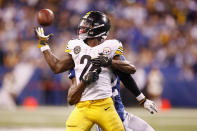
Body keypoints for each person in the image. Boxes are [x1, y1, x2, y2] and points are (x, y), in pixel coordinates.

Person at [35, 11, 137, 131]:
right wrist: (43, 45)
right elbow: (56, 67)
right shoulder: (75, 45)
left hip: (105, 104)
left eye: (88, 24)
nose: (83, 26)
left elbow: (130, 69)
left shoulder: (111, 46)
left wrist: (109, 62)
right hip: (83, 105)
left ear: (99, 28)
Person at [68, 55, 157, 131]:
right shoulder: (79, 60)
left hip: (121, 113)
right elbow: (71, 97)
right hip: (105, 116)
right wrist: (85, 81)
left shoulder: (111, 52)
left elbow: (129, 71)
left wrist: (143, 100)